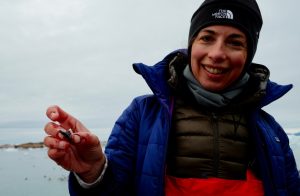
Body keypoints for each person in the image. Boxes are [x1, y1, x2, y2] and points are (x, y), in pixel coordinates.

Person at [44, 0, 300, 195]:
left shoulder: (271, 133)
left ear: (248, 55)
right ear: (192, 44)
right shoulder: (142, 114)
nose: (217, 53)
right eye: (207, 38)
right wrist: (92, 172)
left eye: (234, 42)